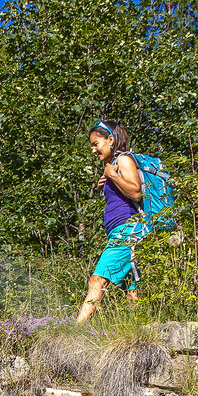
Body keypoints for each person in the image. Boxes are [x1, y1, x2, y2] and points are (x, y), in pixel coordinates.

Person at [77, 119, 148, 324]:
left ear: (110, 139)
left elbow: (136, 193)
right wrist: (106, 184)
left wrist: (112, 176)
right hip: (122, 231)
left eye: (95, 144)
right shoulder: (114, 167)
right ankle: (138, 329)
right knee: (131, 290)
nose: (94, 150)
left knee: (97, 279)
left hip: (127, 230)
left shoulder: (123, 160)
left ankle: (76, 329)